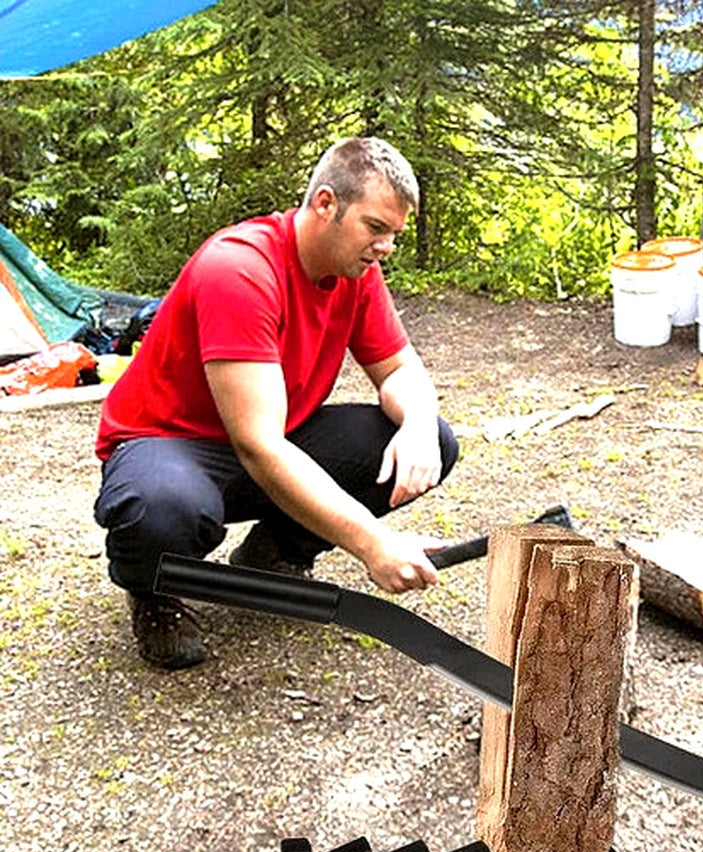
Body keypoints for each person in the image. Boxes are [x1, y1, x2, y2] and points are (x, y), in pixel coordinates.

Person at [93, 137, 459, 670]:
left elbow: (400, 368)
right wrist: (372, 542)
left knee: (431, 441)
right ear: (325, 204)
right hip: (171, 445)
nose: (385, 247)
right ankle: (155, 592)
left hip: (270, 442)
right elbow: (259, 445)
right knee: (161, 508)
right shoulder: (240, 269)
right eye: (375, 228)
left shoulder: (356, 271)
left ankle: (275, 555)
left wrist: (421, 423)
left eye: (393, 235)